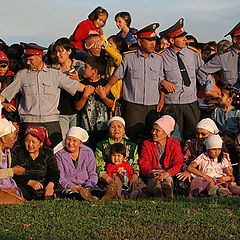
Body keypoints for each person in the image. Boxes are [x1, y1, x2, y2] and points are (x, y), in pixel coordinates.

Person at [0, 42, 86, 148]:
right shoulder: (22, 75)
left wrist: (96, 89)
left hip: (51, 122)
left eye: (30, 59)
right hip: (29, 122)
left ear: (39, 57)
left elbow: (76, 86)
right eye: (26, 59)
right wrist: (2, 103)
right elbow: (5, 95)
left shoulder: (55, 74)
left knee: (56, 153)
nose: (27, 62)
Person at [105, 23, 164, 141]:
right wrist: (107, 86)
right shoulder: (128, 57)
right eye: (149, 40)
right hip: (133, 107)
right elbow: (117, 75)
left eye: (154, 40)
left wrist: (162, 99)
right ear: (140, 42)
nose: (153, 43)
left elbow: (160, 80)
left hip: (152, 107)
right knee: (132, 138)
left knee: (151, 138)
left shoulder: (159, 58)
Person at [158, 18, 213, 142]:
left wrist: (208, 90)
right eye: (181, 37)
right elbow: (155, 76)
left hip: (190, 103)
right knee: (174, 138)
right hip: (171, 103)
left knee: (194, 136)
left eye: (185, 36)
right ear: (172, 40)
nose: (185, 39)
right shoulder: (161, 56)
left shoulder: (193, 54)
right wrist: (162, 82)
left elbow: (204, 74)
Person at [138, 115, 183, 198]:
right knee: (155, 182)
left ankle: (168, 190)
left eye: (157, 130)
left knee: (168, 181)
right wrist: (150, 173)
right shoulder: (146, 144)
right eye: (153, 129)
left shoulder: (175, 144)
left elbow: (178, 164)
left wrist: (167, 173)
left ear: (165, 133)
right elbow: (144, 162)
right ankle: (157, 190)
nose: (153, 132)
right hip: (153, 172)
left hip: (167, 172)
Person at [11, 126, 60, 200]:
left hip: (43, 183)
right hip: (24, 184)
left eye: (33, 142)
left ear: (41, 143)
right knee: (22, 192)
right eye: (27, 141)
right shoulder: (17, 151)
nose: (30, 145)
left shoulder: (48, 153)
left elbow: (54, 171)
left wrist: (50, 185)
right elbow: (13, 172)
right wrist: (30, 182)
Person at [75, 56, 114, 147]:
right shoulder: (82, 84)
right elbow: (78, 107)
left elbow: (111, 104)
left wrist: (103, 97)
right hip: (85, 128)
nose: (83, 69)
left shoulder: (104, 84)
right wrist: (85, 95)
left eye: (86, 67)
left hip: (102, 128)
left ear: (94, 71)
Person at [95, 116, 140, 191]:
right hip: (108, 179)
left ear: (124, 130)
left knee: (140, 186)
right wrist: (108, 179)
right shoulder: (101, 146)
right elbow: (98, 166)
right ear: (109, 130)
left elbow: (136, 164)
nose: (116, 129)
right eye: (113, 127)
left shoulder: (132, 146)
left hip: (129, 177)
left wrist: (135, 175)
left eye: (119, 127)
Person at [52, 37, 85, 137]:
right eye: (56, 52)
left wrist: (77, 80)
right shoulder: (53, 69)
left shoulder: (80, 66)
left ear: (69, 51)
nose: (58, 55)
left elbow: (87, 86)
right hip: (60, 111)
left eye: (61, 51)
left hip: (78, 111)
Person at [55, 127, 98, 200]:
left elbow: (93, 174)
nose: (71, 143)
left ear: (80, 143)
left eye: (74, 140)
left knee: (97, 191)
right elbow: (61, 178)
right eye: (68, 139)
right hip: (70, 187)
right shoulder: (59, 155)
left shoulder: (88, 152)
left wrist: (88, 187)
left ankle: (101, 195)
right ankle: (85, 197)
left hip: (87, 186)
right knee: (73, 195)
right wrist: (77, 188)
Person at [198, 21, 240, 88]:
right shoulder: (223, 57)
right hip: (231, 96)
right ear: (235, 40)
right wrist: (210, 89)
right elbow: (202, 71)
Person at [211, 86, 240, 180]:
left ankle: (234, 174)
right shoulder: (216, 112)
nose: (220, 97)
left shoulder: (237, 113)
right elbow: (213, 127)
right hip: (219, 138)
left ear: (229, 100)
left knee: (234, 152)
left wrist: (234, 139)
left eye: (222, 95)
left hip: (234, 139)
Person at [0, 119, 25, 194]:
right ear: (3, 139)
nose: (15, 140)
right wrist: (12, 171)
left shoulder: (7, 151)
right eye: (14, 138)